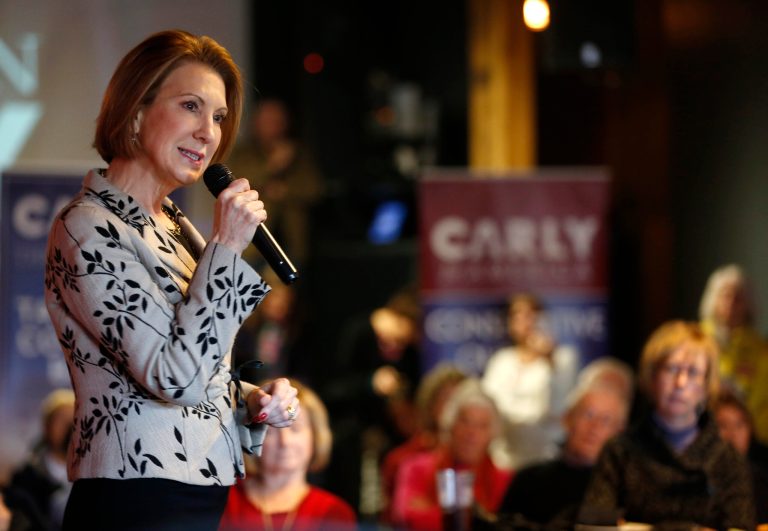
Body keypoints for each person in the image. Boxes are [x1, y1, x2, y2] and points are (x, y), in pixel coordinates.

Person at [43, 30, 300, 530]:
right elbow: (172, 376)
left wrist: (251, 398)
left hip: (193, 494)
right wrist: (226, 246)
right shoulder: (86, 226)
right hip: (134, 498)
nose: (210, 132)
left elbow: (195, 361)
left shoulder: (175, 225)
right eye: (191, 106)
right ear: (135, 112)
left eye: (220, 117)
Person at [578, 321, 755, 529]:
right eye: (672, 369)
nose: (680, 383)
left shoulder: (726, 459)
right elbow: (592, 527)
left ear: (706, 385)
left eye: (693, 373)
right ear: (651, 375)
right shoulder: (620, 451)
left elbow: (741, 526)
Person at [321, 285, 423, 514]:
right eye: (395, 340)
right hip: (349, 439)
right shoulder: (357, 332)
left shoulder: (408, 352)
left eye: (402, 343)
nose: (397, 348)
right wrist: (370, 383)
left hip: (386, 444)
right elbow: (332, 389)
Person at [497, 366, 631, 528]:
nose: (594, 427)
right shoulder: (528, 480)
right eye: (588, 414)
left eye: (606, 420)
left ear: (620, 432)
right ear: (567, 418)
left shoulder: (628, 491)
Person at [218, 380, 356, 531]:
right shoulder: (222, 499)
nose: (285, 441)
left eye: (295, 428)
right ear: (250, 437)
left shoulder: (335, 513)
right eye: (270, 430)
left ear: (316, 437)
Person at [390, 378, 512, 531]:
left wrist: (433, 511)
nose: (472, 434)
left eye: (482, 426)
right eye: (465, 422)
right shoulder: (415, 468)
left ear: (493, 434)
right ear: (450, 424)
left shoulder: (504, 480)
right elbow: (407, 517)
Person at [481, 293, 579, 469]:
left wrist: (550, 362)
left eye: (530, 315)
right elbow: (492, 407)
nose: (524, 322)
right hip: (505, 458)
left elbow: (559, 409)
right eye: (516, 315)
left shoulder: (563, 359)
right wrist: (531, 414)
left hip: (548, 457)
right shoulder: (501, 361)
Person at [226, 98, 324, 268]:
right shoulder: (243, 153)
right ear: (256, 123)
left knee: (286, 292)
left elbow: (314, 189)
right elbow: (236, 184)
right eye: (267, 121)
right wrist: (274, 165)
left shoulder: (298, 154)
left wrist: (285, 191)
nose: (273, 127)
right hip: (252, 242)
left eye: (277, 122)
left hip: (290, 241)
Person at [380, 363, 467, 524]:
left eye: (461, 400)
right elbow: (399, 517)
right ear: (431, 405)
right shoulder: (402, 460)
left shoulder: (481, 459)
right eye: (447, 399)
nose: (454, 409)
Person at [699, 263, 768, 442]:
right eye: (726, 295)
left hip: (750, 439)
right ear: (713, 300)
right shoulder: (696, 341)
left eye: (738, 297)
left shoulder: (761, 350)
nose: (731, 303)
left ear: (748, 303)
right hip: (701, 433)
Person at [6, 389, 75, 530]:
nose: (70, 427)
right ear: (47, 426)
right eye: (61, 419)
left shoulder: (88, 476)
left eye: (74, 419)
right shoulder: (26, 477)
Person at [712, 388, 768, 525]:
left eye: (740, 425)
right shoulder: (695, 479)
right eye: (723, 425)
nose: (732, 434)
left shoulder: (762, 481)